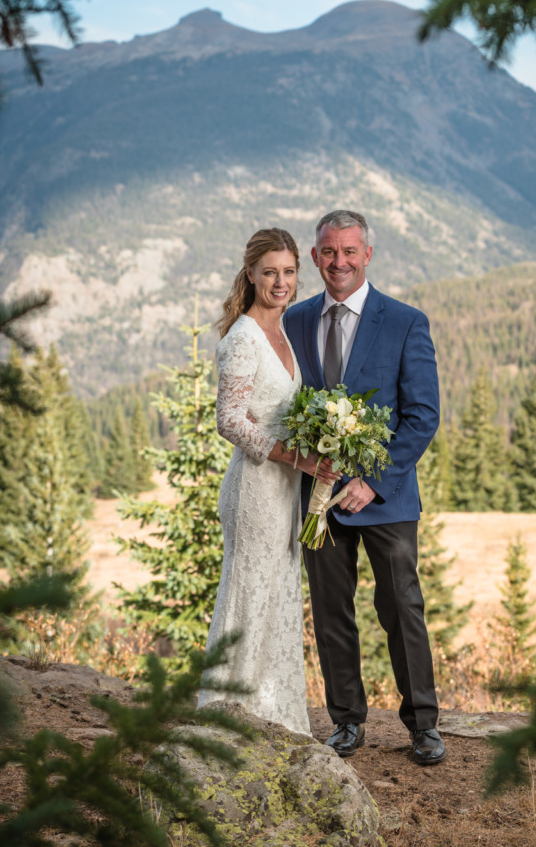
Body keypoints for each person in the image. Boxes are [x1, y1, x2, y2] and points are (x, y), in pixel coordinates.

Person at [284, 210, 446, 765]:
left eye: (349, 252)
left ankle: (424, 725)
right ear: (314, 257)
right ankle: (346, 722)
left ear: (367, 255)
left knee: (402, 609)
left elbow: (423, 416)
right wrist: (311, 463)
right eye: (329, 253)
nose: (339, 263)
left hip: (388, 500)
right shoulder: (295, 320)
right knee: (331, 612)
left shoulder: (404, 321)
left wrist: (372, 482)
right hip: (317, 499)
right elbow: (285, 406)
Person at [199, 228, 333, 735]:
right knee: (248, 595)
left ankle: (275, 714)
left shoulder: (284, 333)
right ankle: (232, 715)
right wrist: (296, 459)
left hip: (284, 491)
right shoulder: (243, 337)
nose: (281, 282)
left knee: (278, 593)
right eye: (270, 271)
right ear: (251, 273)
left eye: (289, 271)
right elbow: (229, 420)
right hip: (256, 488)